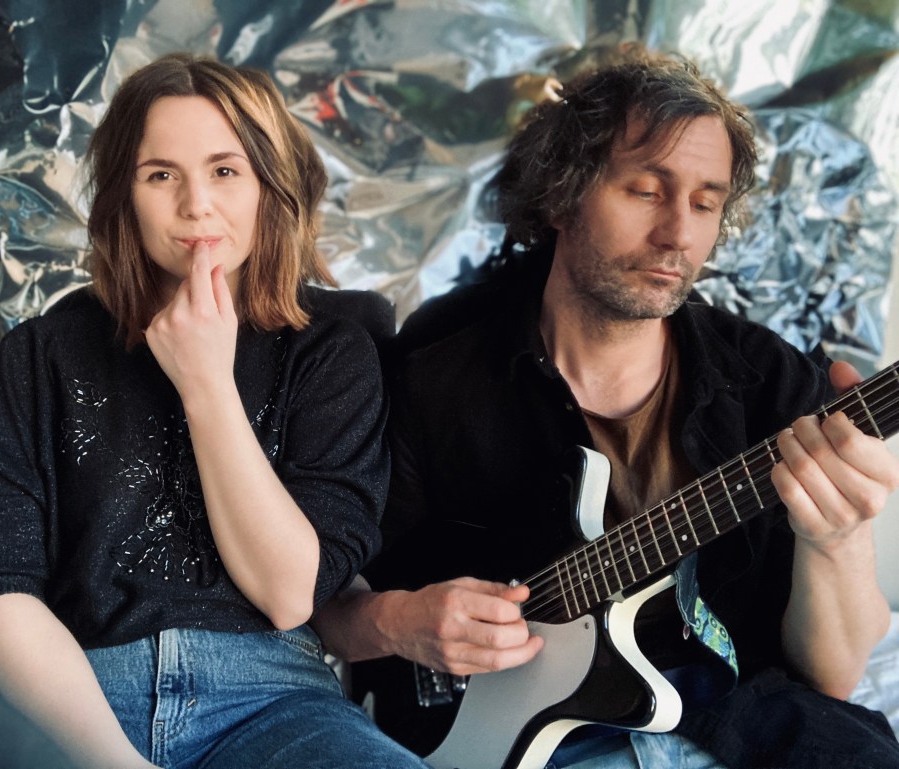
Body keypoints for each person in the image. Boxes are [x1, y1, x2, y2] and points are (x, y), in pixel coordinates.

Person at [312, 47, 899, 769]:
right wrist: (396, 621)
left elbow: (832, 676)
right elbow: (327, 604)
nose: (678, 234)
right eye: (647, 191)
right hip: (522, 738)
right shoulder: (438, 375)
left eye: (705, 203)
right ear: (561, 194)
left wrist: (837, 541)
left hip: (732, 716)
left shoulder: (770, 383)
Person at [0, 53, 428, 769]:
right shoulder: (39, 355)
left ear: (269, 185)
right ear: (124, 196)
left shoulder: (332, 352)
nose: (196, 204)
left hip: (275, 700)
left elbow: (289, 593)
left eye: (225, 170)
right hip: (76, 702)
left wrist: (206, 383)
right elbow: (0, 594)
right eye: (161, 174)